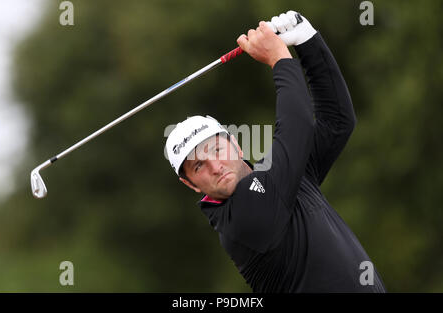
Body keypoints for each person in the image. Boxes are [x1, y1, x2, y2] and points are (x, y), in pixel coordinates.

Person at [165, 11, 386, 292]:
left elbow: (337, 121)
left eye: (217, 149)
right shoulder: (239, 221)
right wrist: (279, 58)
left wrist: (306, 40)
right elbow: (297, 125)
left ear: (235, 144)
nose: (215, 166)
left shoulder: (278, 175)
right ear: (190, 184)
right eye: (198, 166)